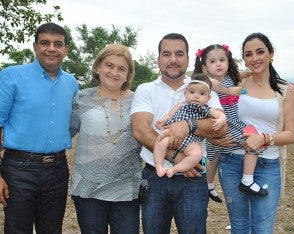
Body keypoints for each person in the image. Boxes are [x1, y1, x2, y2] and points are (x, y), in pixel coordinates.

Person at [131, 33, 227, 234]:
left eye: (179, 54)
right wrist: (177, 158)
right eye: (166, 54)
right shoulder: (145, 89)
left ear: (188, 59)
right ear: (158, 60)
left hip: (193, 179)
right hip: (154, 176)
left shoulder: (203, 89)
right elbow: (140, 129)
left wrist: (188, 125)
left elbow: (220, 127)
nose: (173, 60)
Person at [0, 23, 79, 233]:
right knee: (18, 230)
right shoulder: (11, 76)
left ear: (65, 49)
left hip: (58, 169)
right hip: (18, 170)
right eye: (45, 43)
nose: (51, 48)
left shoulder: (72, 83)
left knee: (52, 230)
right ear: (35, 47)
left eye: (57, 44)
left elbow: (71, 122)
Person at [215, 32, 294, 233]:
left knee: (263, 228)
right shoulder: (237, 85)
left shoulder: (285, 91)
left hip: (267, 164)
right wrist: (215, 137)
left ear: (271, 53)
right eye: (248, 54)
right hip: (232, 161)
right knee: (239, 225)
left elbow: (292, 134)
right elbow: (208, 91)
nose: (255, 58)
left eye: (260, 52)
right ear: (243, 59)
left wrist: (263, 138)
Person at [70, 44, 142, 234]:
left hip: (127, 188)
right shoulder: (80, 98)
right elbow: (64, 133)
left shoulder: (139, 101)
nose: (114, 72)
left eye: (121, 69)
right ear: (97, 67)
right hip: (88, 188)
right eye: (109, 65)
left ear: (128, 74)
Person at [194, 44, 268, 203]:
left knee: (214, 156)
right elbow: (216, 86)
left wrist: (250, 73)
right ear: (205, 67)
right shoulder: (207, 81)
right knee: (254, 140)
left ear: (228, 61)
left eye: (222, 60)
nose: (219, 64)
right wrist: (229, 91)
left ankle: (209, 186)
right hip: (224, 123)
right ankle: (246, 181)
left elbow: (239, 74)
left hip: (228, 122)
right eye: (213, 61)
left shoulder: (230, 78)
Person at [153, 73, 226, 178]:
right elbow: (169, 115)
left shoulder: (206, 109)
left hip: (191, 141)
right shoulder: (180, 105)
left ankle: (175, 169)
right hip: (172, 134)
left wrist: (221, 120)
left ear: (208, 98)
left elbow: (220, 115)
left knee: (197, 154)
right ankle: (159, 166)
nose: (196, 96)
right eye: (192, 92)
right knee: (160, 141)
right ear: (185, 93)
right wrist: (163, 121)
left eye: (201, 94)